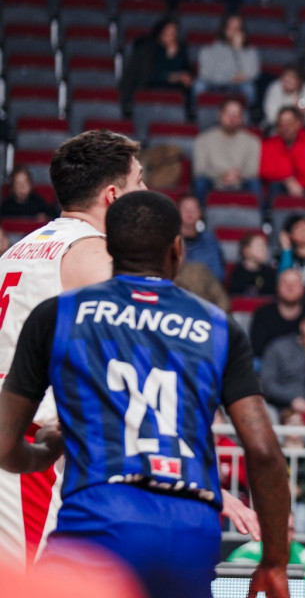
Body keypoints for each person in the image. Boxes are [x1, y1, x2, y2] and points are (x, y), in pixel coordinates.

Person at [0, 191, 290, 598]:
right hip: (191, 528)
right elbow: (263, 451)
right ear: (177, 249)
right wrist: (274, 561)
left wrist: (45, 451)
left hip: (99, 518)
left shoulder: (59, 314)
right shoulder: (218, 326)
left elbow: (4, 443)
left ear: (110, 249)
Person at [0, 130, 145, 566]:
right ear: (113, 195)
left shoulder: (20, 248)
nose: (146, 192)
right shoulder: (94, 256)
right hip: (29, 442)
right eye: (139, 181)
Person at [192, 96, 261, 205]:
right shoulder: (203, 140)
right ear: (219, 115)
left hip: (241, 181)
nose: (232, 119)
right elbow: (199, 170)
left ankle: (256, 216)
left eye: (236, 115)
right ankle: (201, 214)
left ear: (242, 118)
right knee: (200, 182)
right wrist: (222, 174)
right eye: (228, 114)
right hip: (213, 181)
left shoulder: (253, 141)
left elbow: (252, 171)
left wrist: (237, 175)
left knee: (255, 184)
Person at [227, 514, 305, 596]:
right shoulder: (242, 556)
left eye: (288, 530)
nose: (282, 535)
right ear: (266, 530)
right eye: (278, 529)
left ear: (294, 532)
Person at [119, 17, 192, 113]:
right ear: (160, 34)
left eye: (174, 32)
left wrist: (185, 77)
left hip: (174, 93)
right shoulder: (149, 50)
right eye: (169, 32)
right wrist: (175, 77)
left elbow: (187, 74)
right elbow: (151, 76)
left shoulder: (181, 50)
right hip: (152, 91)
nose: (172, 36)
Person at [196, 13, 260, 106]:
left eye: (237, 29)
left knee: (249, 88)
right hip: (214, 85)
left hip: (237, 86)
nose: (234, 32)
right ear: (224, 29)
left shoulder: (250, 52)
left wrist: (239, 51)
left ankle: (250, 113)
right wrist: (230, 78)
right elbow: (205, 74)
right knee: (199, 85)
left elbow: (252, 74)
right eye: (231, 28)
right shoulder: (209, 50)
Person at [248, 267, 305, 358]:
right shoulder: (263, 314)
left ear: (303, 288)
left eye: (295, 283)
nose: (290, 287)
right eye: (285, 282)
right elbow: (256, 349)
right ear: (277, 287)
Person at [178, 194, 224, 283]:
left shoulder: (210, 240)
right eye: (185, 209)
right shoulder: (170, 239)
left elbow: (218, 273)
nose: (189, 213)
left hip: (204, 286)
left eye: (193, 209)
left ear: (200, 213)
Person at [263, 65, 305, 129]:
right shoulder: (275, 87)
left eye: (292, 77)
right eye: (285, 77)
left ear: (299, 80)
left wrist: (304, 111)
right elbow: (271, 117)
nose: (288, 80)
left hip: (303, 128)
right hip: (278, 128)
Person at [228, 230, 277, 297]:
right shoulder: (238, 273)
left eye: (265, 246)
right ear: (246, 250)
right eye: (260, 246)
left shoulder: (269, 273)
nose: (264, 249)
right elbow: (234, 297)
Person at [278, 214, 305, 285]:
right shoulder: (286, 256)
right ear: (290, 235)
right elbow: (283, 280)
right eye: (298, 228)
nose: (303, 231)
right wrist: (286, 249)